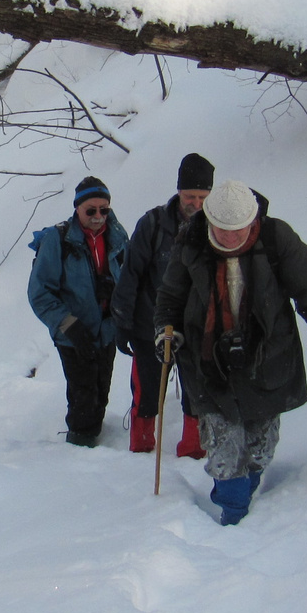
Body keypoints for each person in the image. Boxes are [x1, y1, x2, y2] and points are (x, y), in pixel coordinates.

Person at [153, 179, 307, 524]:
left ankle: (248, 490)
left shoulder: (276, 239)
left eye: (237, 230)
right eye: (222, 230)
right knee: (224, 447)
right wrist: (166, 332)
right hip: (208, 362)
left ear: (252, 221)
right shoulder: (191, 241)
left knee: (259, 446)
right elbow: (171, 296)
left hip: (267, 358)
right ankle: (233, 513)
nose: (229, 238)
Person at [112, 153, 214, 457]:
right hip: (150, 324)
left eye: (202, 196)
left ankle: (193, 450)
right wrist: (122, 322)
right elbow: (130, 274)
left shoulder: (217, 226)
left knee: (197, 390)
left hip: (197, 326)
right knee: (147, 390)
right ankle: (142, 446)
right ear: (178, 191)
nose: (195, 203)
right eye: (189, 196)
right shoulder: (154, 224)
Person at [28, 176, 129, 446]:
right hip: (73, 334)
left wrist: (119, 304)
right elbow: (39, 293)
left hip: (107, 330)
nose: (98, 216)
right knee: (83, 396)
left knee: (101, 393)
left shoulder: (118, 236)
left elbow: (131, 280)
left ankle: (93, 439)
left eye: (104, 209)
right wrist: (68, 324)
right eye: (91, 210)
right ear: (77, 209)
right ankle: (79, 453)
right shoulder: (57, 239)